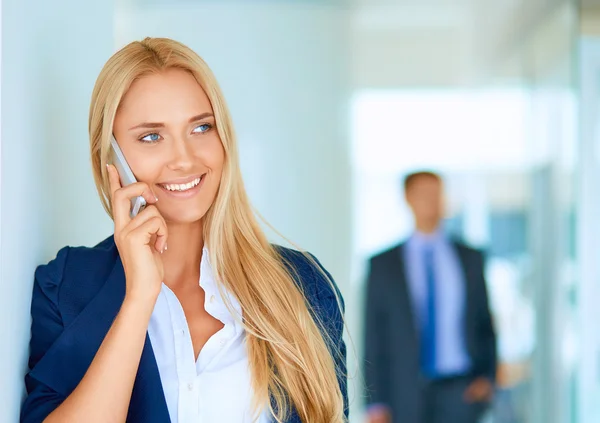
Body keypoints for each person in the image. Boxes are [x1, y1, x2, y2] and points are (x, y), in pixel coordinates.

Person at [21, 37, 347, 423]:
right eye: (152, 136)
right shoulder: (68, 285)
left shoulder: (300, 283)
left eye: (201, 128)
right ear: (111, 157)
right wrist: (139, 297)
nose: (184, 159)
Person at [363, 171, 497, 423]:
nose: (431, 201)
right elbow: (374, 334)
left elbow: (484, 322)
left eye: (436, 193)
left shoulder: (469, 258)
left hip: (461, 390)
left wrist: (486, 379)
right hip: (403, 392)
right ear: (407, 198)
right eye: (423, 194)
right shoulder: (383, 264)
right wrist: (374, 401)